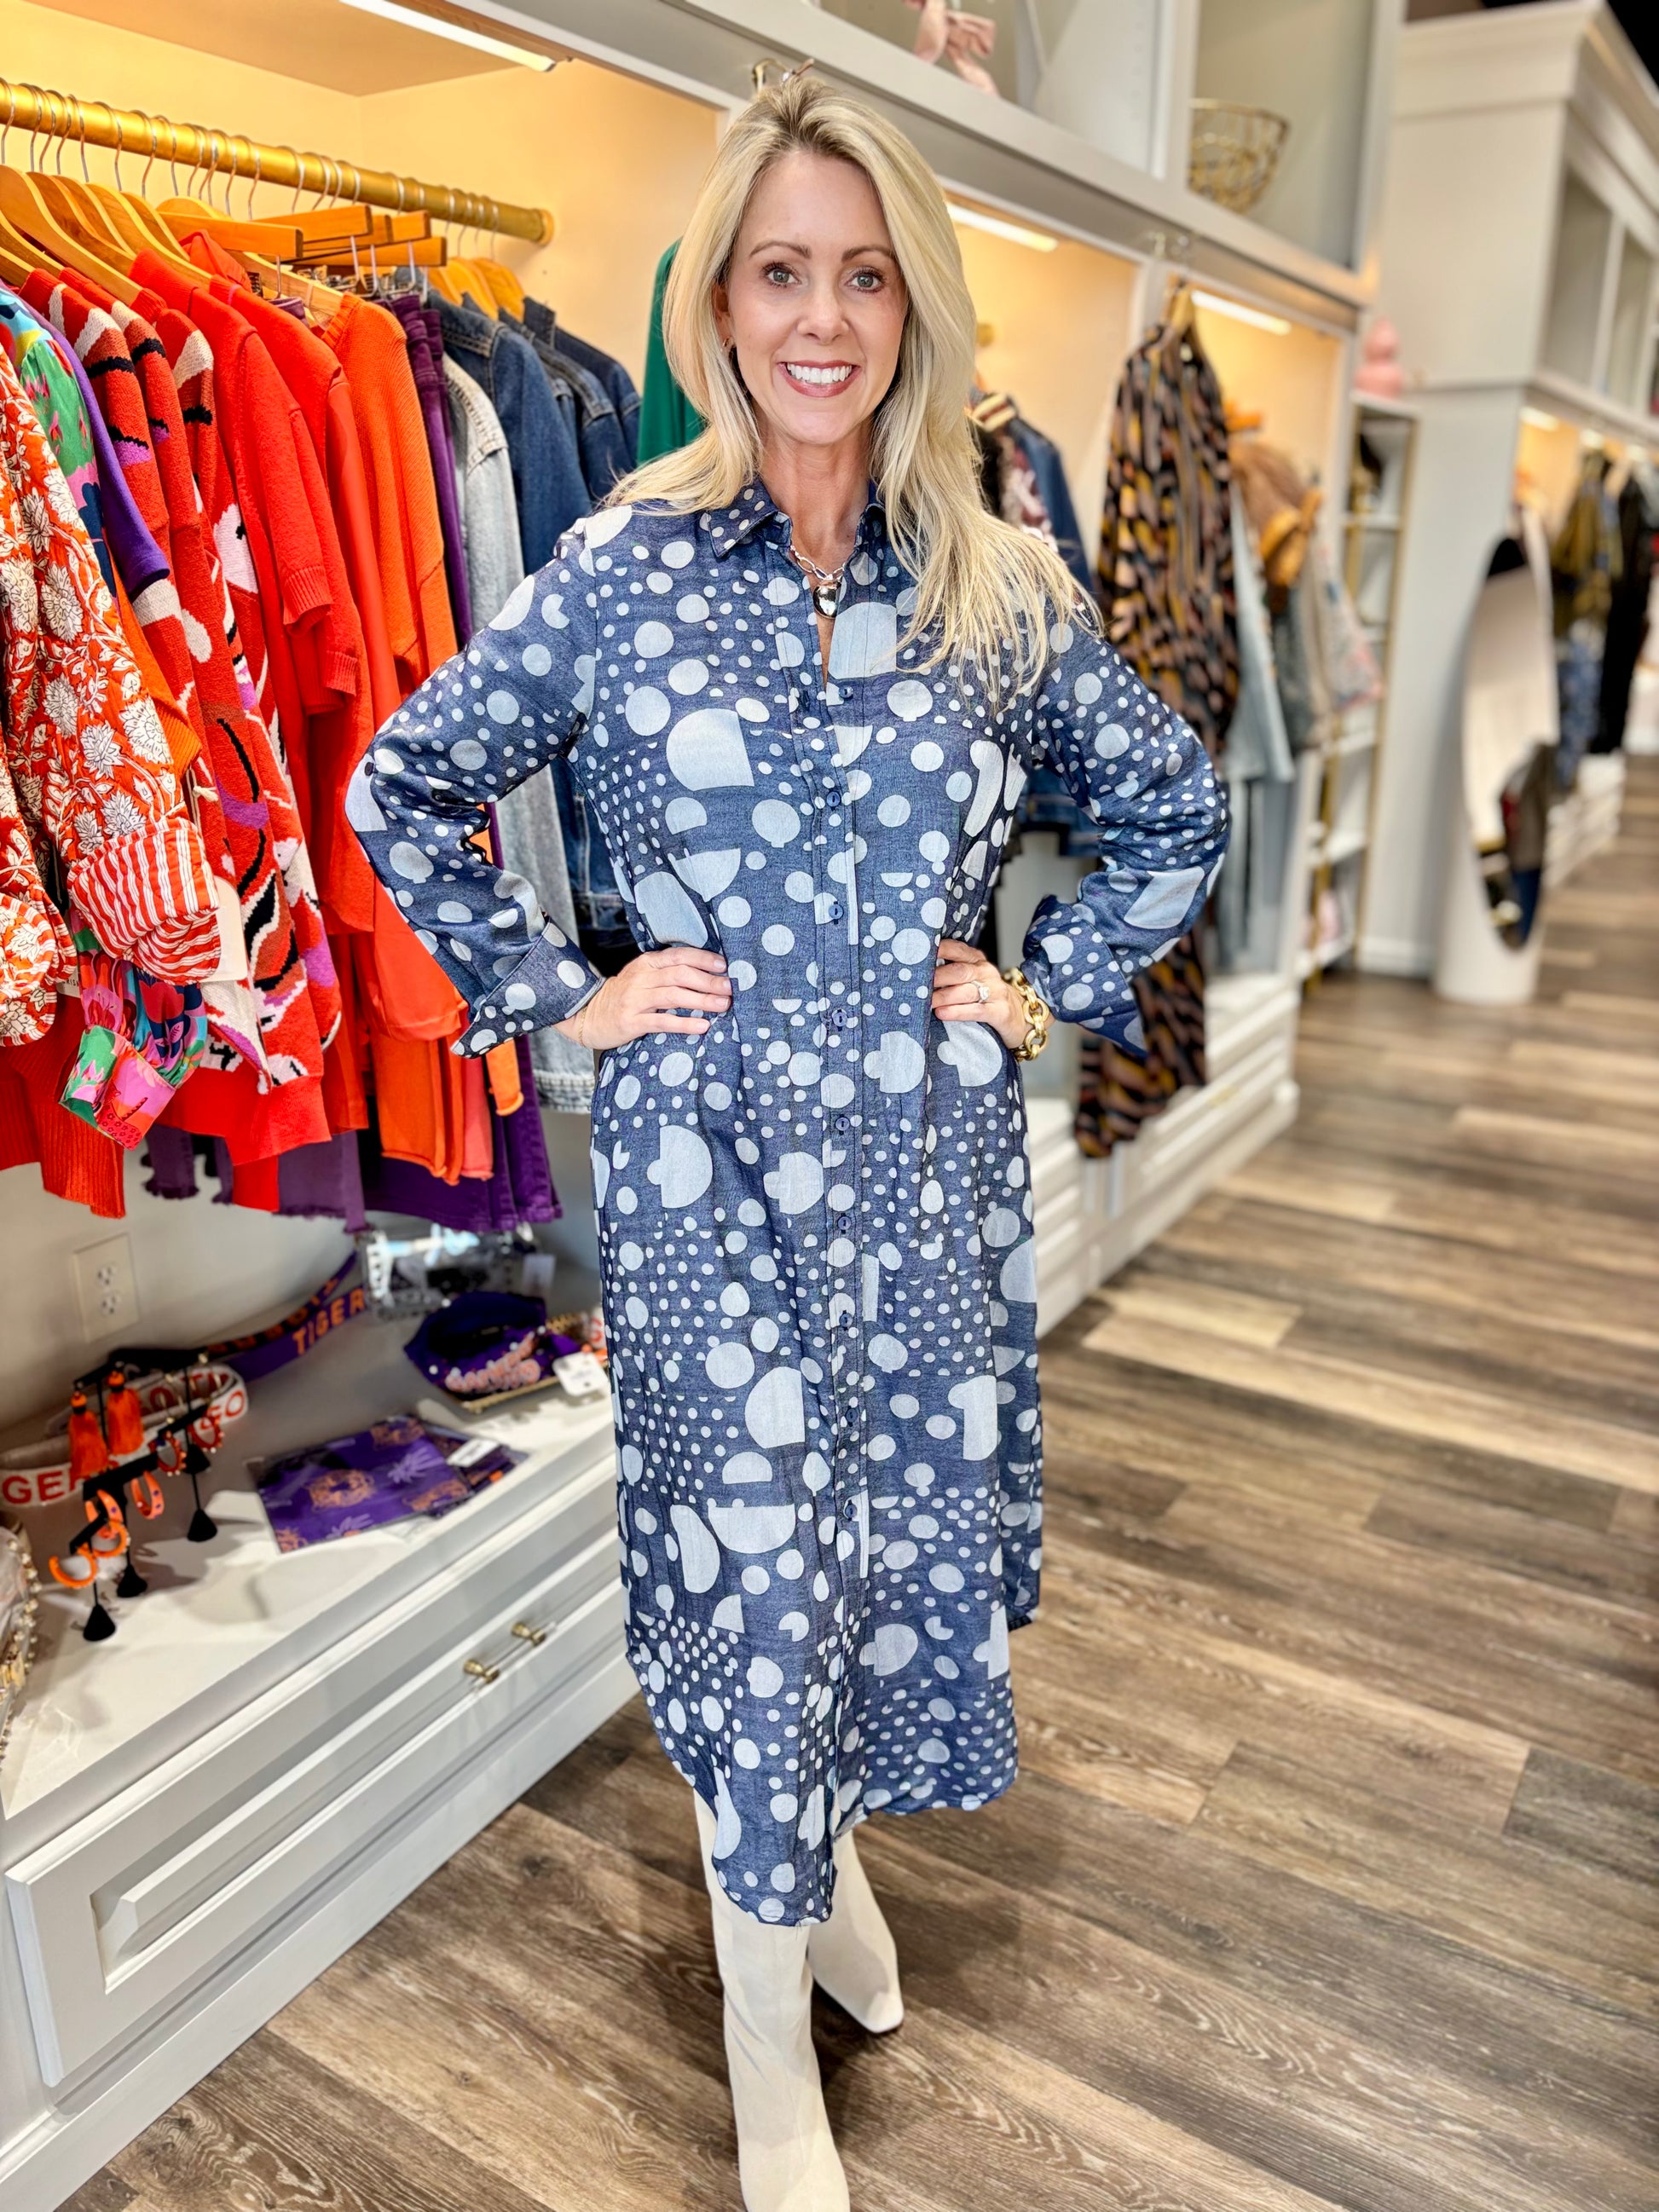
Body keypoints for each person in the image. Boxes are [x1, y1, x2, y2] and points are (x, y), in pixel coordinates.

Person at [351, 71, 1226, 2212]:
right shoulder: (619, 565)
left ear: (912, 303)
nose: (820, 318)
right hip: (703, 1190)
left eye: (862, 275)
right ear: (719, 304)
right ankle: (762, 2033)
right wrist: (563, 990)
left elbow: (1172, 805)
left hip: (927, 1192)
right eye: (777, 273)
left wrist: (1035, 980)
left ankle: (821, 1873)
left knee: (873, 1557)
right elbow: (403, 786)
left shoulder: (1000, 586)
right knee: (756, 1587)